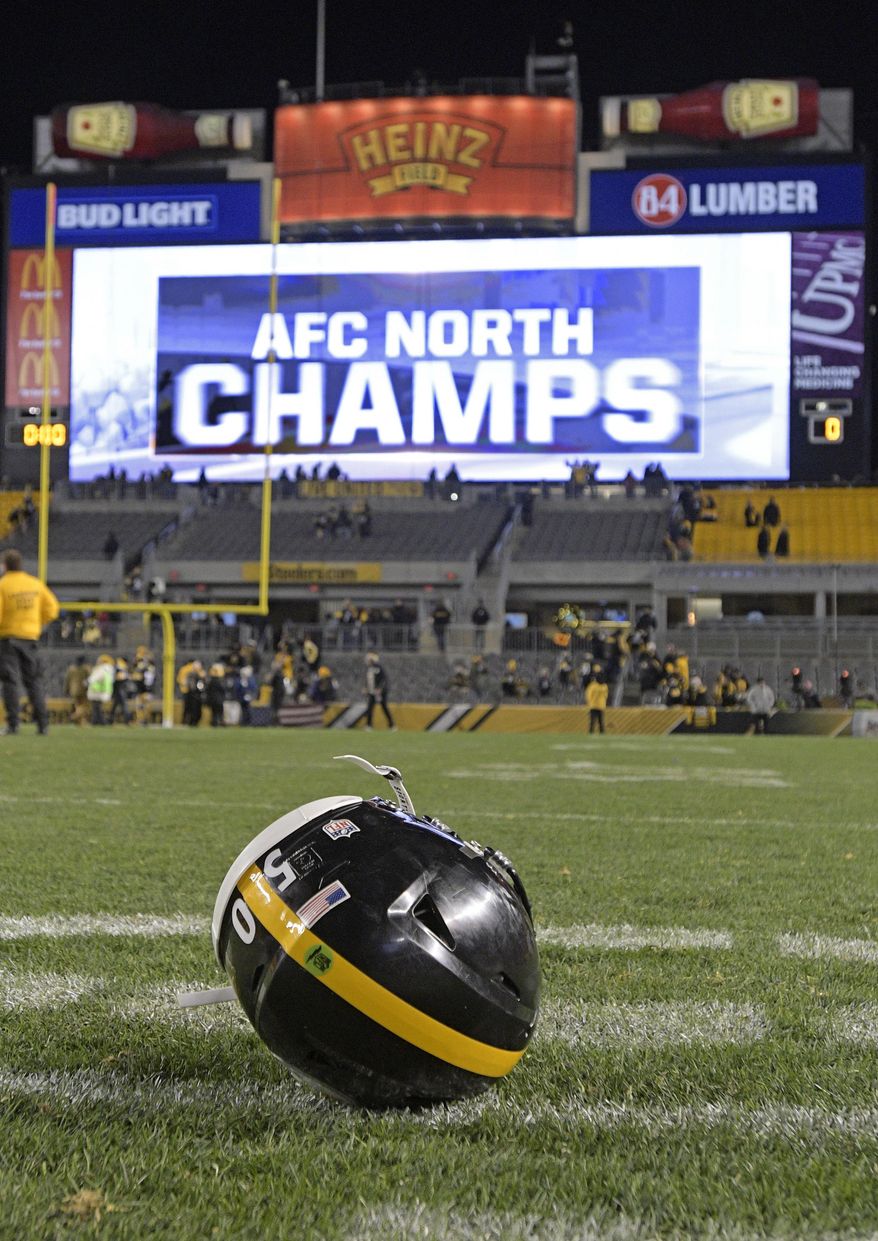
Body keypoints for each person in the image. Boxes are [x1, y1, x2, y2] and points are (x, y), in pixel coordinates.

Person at [0, 549, 60, 735]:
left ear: (5, 565)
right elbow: (52, 609)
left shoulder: (3, 585)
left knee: (11, 681)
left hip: (8, 639)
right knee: (34, 681)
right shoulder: (35, 584)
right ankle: (43, 725)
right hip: (30, 638)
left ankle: (13, 724)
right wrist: (35, 623)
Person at [364, 651, 395, 730]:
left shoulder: (378, 667)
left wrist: (380, 688)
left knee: (384, 707)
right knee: (370, 708)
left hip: (380, 692)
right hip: (372, 692)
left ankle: (392, 725)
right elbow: (369, 680)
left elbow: (383, 679)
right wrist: (366, 688)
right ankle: (368, 725)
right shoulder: (369, 668)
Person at [86, 655, 115, 725]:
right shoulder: (110, 670)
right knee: (97, 707)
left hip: (97, 691)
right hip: (104, 691)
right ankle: (97, 721)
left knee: (96, 707)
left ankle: (99, 721)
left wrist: (86, 682)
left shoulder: (101, 669)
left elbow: (94, 678)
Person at [64, 654, 91, 725]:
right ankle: (73, 717)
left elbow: (67, 680)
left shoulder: (71, 669)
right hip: (84, 690)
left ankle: (81, 722)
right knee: (84, 707)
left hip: (73, 690)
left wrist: (66, 690)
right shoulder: (86, 668)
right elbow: (90, 679)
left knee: (78, 706)